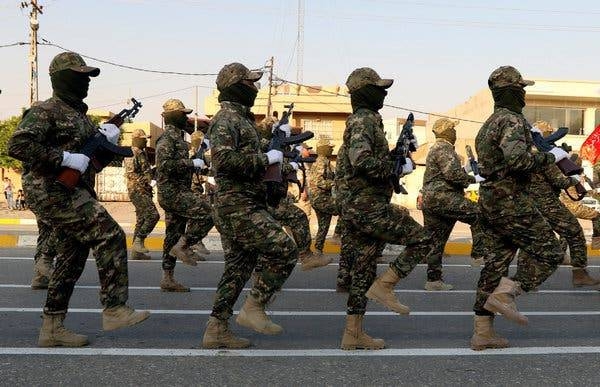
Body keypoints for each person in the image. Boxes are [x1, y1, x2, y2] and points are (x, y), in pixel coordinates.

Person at [8, 51, 150, 347]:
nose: (85, 81)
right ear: (61, 78)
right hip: (51, 190)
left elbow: (91, 160)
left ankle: (52, 327)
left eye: (87, 77)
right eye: (79, 76)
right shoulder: (45, 110)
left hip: (73, 190)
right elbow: (19, 145)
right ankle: (114, 308)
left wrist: (107, 138)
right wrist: (63, 158)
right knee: (109, 234)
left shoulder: (79, 116)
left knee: (72, 257)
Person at [470, 65, 569, 351]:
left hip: (490, 200)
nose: (525, 94)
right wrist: (549, 158)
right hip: (510, 199)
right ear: (513, 90)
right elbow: (519, 161)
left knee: (495, 265)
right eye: (522, 89)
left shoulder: (489, 122)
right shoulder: (513, 121)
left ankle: (482, 333)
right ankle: (507, 294)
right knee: (550, 251)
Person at [202, 62, 298, 349]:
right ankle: (254, 308)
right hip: (237, 205)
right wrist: (266, 159)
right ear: (235, 85)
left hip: (244, 203)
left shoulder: (242, 121)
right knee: (284, 247)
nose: (255, 88)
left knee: (237, 269)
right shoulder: (227, 119)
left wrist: (275, 147)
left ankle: (216, 329)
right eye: (250, 83)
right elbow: (224, 161)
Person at [337, 67, 433, 350]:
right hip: (366, 205)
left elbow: (367, 160)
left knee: (363, 272)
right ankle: (387, 284)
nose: (384, 93)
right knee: (423, 239)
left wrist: (397, 155)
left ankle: (352, 334)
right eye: (377, 88)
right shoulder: (364, 121)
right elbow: (362, 162)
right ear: (364, 91)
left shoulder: (367, 121)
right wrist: (394, 166)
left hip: (360, 205)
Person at [155, 98, 215, 292]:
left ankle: (167, 278)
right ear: (173, 116)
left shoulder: (179, 139)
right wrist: (191, 163)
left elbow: (179, 167)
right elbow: (164, 166)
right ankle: (184, 245)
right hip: (172, 193)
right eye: (183, 114)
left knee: (172, 234)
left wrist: (197, 165)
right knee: (208, 213)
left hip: (178, 191)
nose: (186, 117)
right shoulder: (167, 139)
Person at [421, 118, 485, 291]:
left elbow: (447, 173)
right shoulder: (444, 148)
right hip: (444, 197)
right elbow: (452, 176)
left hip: (431, 199)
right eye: (453, 130)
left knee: (436, 241)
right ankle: (478, 254)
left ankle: (433, 281)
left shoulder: (436, 148)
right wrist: (474, 178)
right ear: (447, 132)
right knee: (480, 214)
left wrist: (465, 170)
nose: (455, 133)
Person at [124, 129, 160, 260]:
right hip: (137, 190)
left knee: (141, 219)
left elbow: (145, 170)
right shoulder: (131, 153)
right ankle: (139, 241)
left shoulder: (142, 153)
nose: (146, 140)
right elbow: (131, 174)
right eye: (144, 138)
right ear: (137, 139)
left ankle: (136, 252)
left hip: (144, 190)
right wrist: (149, 181)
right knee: (153, 215)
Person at [308, 138, 342, 255]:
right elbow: (319, 182)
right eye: (330, 148)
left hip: (320, 199)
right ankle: (337, 235)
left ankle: (317, 251)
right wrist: (334, 183)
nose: (332, 149)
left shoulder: (325, 161)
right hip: (320, 199)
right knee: (345, 208)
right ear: (324, 149)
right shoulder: (321, 162)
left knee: (324, 226)